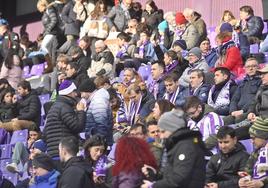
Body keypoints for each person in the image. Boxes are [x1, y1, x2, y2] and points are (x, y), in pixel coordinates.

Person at [141, 109, 207, 188]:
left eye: (163, 131)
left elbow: (179, 179)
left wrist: (153, 186)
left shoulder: (186, 146)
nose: (161, 136)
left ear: (172, 128)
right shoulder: (178, 145)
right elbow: (171, 175)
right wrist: (155, 174)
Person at [44, 80, 86, 158]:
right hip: (64, 152)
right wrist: (81, 112)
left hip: (55, 152)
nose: (76, 94)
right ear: (69, 93)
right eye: (74, 91)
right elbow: (77, 126)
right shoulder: (64, 107)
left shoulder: (55, 107)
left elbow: (45, 134)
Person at [225, 57, 261, 124]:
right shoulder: (243, 82)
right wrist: (233, 111)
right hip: (237, 111)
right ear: (245, 69)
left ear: (258, 67)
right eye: (248, 67)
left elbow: (256, 99)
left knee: (239, 119)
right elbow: (234, 99)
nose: (251, 68)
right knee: (226, 120)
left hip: (250, 111)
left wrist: (242, 111)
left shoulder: (261, 81)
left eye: (254, 66)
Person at [78, 78, 113, 147]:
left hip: (99, 143)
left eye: (82, 93)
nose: (81, 96)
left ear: (88, 91)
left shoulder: (98, 101)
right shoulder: (94, 100)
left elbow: (101, 124)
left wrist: (98, 143)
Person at [238, 117, 268, 188]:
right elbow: (248, 170)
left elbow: (262, 182)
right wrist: (245, 179)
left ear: (264, 137)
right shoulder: (257, 151)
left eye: (254, 138)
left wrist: (262, 182)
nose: (252, 141)